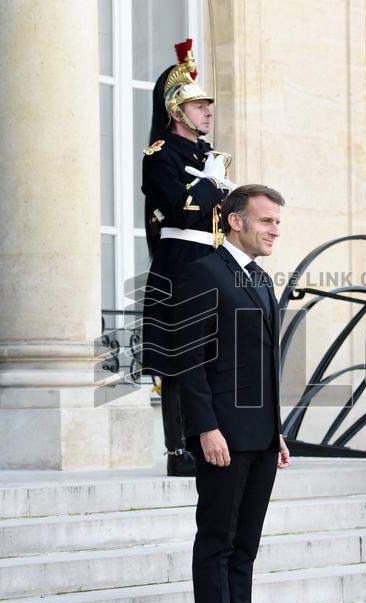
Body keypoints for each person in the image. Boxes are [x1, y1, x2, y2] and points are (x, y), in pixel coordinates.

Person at [176, 185, 293, 603]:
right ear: (236, 222)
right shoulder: (202, 274)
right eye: (266, 221)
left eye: (277, 223)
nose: (275, 230)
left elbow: (263, 363)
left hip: (260, 436)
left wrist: (276, 431)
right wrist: (205, 428)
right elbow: (188, 361)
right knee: (218, 541)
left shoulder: (262, 279)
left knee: (246, 545)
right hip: (221, 434)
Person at [141, 38, 234, 478]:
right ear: (177, 112)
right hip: (179, 262)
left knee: (216, 354)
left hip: (214, 260)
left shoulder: (208, 157)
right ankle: (179, 450)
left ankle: (211, 439)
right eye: (198, 106)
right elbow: (178, 208)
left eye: (207, 105)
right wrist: (208, 184)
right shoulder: (160, 156)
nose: (207, 112)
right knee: (181, 358)